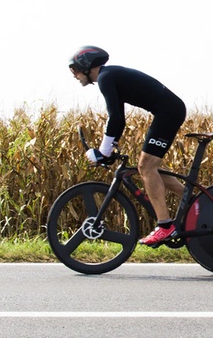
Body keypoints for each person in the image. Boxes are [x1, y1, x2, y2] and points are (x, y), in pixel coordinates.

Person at [68, 46, 186, 247]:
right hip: (169, 110)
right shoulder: (110, 76)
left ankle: (165, 226)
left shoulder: (106, 78)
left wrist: (103, 152)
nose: (75, 76)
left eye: (75, 71)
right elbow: (119, 120)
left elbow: (114, 118)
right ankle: (198, 202)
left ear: (86, 66)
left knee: (146, 167)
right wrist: (108, 148)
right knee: (150, 168)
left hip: (168, 112)